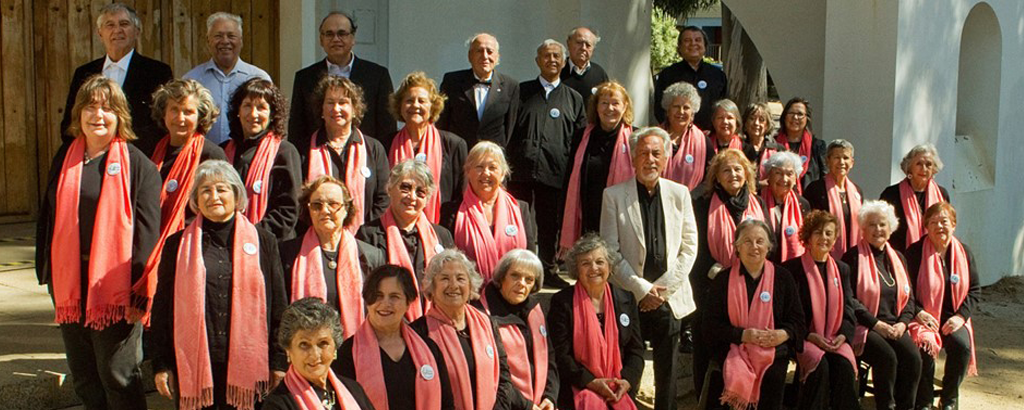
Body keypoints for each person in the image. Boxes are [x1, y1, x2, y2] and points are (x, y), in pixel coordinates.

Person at [36, 75, 161, 410]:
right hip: (69, 285)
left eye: (107, 108)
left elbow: (148, 236)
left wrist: (137, 290)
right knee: (84, 375)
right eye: (90, 107)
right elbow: (47, 218)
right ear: (79, 114)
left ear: (120, 115)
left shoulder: (139, 166)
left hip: (115, 289)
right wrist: (47, 271)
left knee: (117, 375)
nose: (98, 115)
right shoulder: (66, 157)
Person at [150, 160, 288, 410]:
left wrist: (279, 362)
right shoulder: (177, 245)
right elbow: (162, 309)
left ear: (236, 195)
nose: (214, 196)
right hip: (195, 365)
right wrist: (161, 364)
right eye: (205, 190)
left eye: (222, 189)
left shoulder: (264, 241)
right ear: (196, 199)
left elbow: (278, 305)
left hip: (250, 366)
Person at [600, 127, 697, 410]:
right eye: (643, 153)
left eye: (656, 153)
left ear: (666, 158)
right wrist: (643, 290)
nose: (650, 159)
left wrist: (660, 292)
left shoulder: (680, 194)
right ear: (632, 158)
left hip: (670, 297)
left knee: (667, 372)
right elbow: (610, 251)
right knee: (629, 365)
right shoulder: (613, 196)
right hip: (629, 298)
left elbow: (689, 248)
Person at [409, 250, 533, 410]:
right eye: (445, 278)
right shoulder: (418, 333)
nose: (453, 285)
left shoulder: (487, 323)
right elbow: (421, 392)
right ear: (432, 288)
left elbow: (503, 378)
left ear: (470, 286)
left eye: (460, 278)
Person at [690, 149, 770, 397]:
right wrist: (721, 274)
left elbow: (770, 244)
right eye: (726, 170)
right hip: (711, 285)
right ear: (716, 176)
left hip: (753, 286)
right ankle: (706, 395)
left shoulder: (760, 204)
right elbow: (696, 248)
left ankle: (747, 393)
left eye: (738, 169)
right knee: (708, 342)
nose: (733, 174)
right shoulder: (702, 205)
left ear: (747, 173)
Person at [507, 40, 586, 287]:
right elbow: (508, 130)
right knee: (519, 223)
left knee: (549, 225)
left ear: (564, 63)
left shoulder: (574, 99)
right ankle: (516, 268)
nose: (551, 60)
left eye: (556, 57)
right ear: (537, 61)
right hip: (520, 173)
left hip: (555, 174)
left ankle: (548, 271)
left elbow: (579, 141)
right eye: (546, 56)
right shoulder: (521, 92)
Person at [142, 79, 228, 303]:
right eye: (174, 110)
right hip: (149, 248)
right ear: (164, 113)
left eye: (188, 112)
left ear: (200, 117)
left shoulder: (212, 155)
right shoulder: (150, 150)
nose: (180, 118)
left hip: (194, 253)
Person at [704, 220, 805, 410]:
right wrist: (743, 335)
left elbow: (798, 321)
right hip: (733, 347)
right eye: (747, 241)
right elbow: (710, 325)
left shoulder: (783, 278)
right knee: (731, 372)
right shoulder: (722, 280)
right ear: (737, 247)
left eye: (760, 241)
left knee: (773, 375)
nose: (754, 246)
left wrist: (783, 334)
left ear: (769, 246)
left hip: (773, 352)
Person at [279, 176, 385, 340]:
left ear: (346, 209)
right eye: (317, 205)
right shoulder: (287, 253)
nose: (325, 210)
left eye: (333, 204)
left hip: (357, 353)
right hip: (306, 354)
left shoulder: (372, 256)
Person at [337, 265, 455, 410]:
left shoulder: (430, 349)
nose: (385, 303)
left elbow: (447, 405)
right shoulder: (347, 354)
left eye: (394, 297)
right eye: (378, 296)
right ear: (368, 301)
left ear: (408, 302)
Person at [61, 3, 173, 155]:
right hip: (91, 159)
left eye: (124, 24)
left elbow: (161, 125)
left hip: (138, 158)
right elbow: (70, 122)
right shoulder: (84, 73)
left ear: (137, 31)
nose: (117, 30)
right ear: (100, 33)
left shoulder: (157, 72)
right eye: (110, 25)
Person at [548, 234, 645, 410]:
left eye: (600, 262)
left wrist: (627, 381)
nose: (594, 268)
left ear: (609, 266)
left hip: (618, 384)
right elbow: (560, 355)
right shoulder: (562, 302)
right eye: (585, 263)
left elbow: (636, 349)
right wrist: (591, 382)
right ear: (576, 270)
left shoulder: (626, 299)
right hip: (578, 384)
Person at [841, 200, 920, 410]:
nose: (878, 230)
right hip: (865, 326)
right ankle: (886, 406)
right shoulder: (852, 257)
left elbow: (909, 297)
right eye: (872, 225)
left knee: (913, 358)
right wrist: (876, 324)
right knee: (888, 358)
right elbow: (850, 300)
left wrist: (903, 324)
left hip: (895, 324)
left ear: (891, 227)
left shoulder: (899, 258)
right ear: (863, 228)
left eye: (882, 224)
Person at [781, 211, 859, 410]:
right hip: (803, 337)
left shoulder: (842, 269)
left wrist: (844, 335)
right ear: (807, 237)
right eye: (818, 232)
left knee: (844, 366)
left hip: (835, 337)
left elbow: (849, 309)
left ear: (834, 239)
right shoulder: (791, 269)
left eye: (829, 233)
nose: (824, 237)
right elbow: (786, 313)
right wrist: (810, 336)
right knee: (820, 367)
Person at [358, 160, 455, 320]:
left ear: (427, 199)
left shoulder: (442, 235)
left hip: (435, 326)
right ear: (390, 188)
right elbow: (365, 290)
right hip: (387, 325)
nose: (412, 197)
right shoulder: (368, 235)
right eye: (405, 188)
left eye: (420, 192)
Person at [906, 203, 979, 410]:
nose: (940, 226)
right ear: (926, 226)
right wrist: (919, 312)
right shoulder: (915, 252)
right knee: (925, 347)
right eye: (934, 222)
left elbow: (975, 290)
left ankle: (949, 398)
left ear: (953, 225)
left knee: (962, 347)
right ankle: (924, 400)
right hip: (923, 318)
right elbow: (906, 291)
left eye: (944, 221)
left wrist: (960, 317)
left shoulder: (964, 252)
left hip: (953, 318)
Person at [289, 12, 396, 150]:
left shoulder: (377, 75)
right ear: (321, 40)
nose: (336, 39)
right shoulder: (304, 78)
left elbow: (387, 127)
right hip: (317, 158)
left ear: (353, 38)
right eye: (329, 34)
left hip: (365, 159)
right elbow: (297, 128)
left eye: (342, 33)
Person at [303, 75, 391, 230]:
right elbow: (300, 199)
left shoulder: (374, 148)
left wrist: (365, 233)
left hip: (365, 242)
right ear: (321, 110)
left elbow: (384, 198)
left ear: (355, 109)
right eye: (330, 102)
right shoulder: (305, 150)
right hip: (316, 239)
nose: (336, 109)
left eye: (343, 102)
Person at [440, 141, 536, 283]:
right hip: (470, 296)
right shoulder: (451, 211)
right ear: (468, 171)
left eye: (492, 167)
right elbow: (446, 262)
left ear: (503, 174)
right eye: (479, 167)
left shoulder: (521, 208)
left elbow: (530, 258)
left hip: (512, 295)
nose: (486, 173)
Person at [559, 81, 636, 254]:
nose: (610, 108)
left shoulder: (634, 137)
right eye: (604, 103)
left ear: (625, 107)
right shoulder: (582, 136)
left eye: (615, 103)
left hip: (620, 212)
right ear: (596, 107)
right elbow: (570, 174)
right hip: (588, 210)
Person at [223, 78, 302, 240]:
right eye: (247, 106)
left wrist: (248, 235)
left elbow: (289, 210)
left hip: (271, 246)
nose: (253, 114)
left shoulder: (285, 152)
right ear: (237, 111)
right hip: (227, 245)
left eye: (261, 108)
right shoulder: (223, 151)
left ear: (272, 114)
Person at [263, 297, 375, 410]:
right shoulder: (277, 405)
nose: (315, 355)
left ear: (335, 347)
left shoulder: (354, 390)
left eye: (323, 343)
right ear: (289, 350)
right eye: (304, 344)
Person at [480, 250, 559, 409]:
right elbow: (492, 374)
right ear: (502, 277)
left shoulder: (535, 310)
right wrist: (527, 406)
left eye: (529, 279)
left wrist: (550, 397)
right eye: (515, 276)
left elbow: (549, 357)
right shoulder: (482, 314)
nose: (522, 283)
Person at [387, 72, 467, 222]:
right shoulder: (385, 144)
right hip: (394, 227)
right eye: (409, 100)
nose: (415, 105)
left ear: (433, 106)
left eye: (422, 101)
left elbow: (461, 195)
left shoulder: (454, 145)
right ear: (400, 105)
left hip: (441, 229)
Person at [184, 12, 272, 145]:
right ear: (208, 41)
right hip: (202, 158)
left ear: (241, 41)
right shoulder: (192, 80)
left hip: (247, 158)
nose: (225, 41)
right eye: (218, 36)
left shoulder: (258, 78)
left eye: (231, 36)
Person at [438, 33, 520, 148]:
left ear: (497, 57)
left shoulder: (510, 86)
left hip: (492, 157)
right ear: (470, 56)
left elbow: (510, 129)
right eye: (479, 51)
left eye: (490, 52)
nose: (485, 56)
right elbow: (442, 122)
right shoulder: (452, 82)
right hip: (459, 154)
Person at [879, 143, 951, 253]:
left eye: (928, 165)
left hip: (933, 256)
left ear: (934, 169)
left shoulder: (942, 194)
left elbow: (948, 227)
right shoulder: (891, 194)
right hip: (900, 257)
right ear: (909, 168)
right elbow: (881, 228)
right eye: (919, 164)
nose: (924, 169)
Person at [653, 26, 727, 131]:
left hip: (710, 137)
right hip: (676, 136)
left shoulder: (718, 75)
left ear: (705, 46)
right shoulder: (668, 74)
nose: (693, 44)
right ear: (680, 47)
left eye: (698, 40)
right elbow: (659, 108)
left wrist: (713, 131)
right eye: (687, 40)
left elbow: (723, 107)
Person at [804, 139, 864, 259]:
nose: (841, 162)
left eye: (845, 158)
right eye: (836, 157)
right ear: (828, 161)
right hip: (823, 254)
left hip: (853, 256)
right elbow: (808, 225)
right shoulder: (815, 189)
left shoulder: (857, 191)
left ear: (852, 162)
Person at [659, 81, 714, 190]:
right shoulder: (653, 137)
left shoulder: (703, 141)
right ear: (668, 111)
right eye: (676, 106)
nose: (681, 111)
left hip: (691, 202)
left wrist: (691, 198)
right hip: (656, 202)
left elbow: (711, 176)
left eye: (686, 108)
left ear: (692, 114)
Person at [761, 151, 810, 263]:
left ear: (795, 178)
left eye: (789, 174)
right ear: (769, 175)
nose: (784, 179)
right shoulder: (758, 201)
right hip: (763, 265)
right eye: (778, 173)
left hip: (793, 268)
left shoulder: (802, 204)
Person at [774, 98, 826, 194]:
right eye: (791, 113)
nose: (795, 117)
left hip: (810, 202)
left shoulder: (817, 146)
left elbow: (825, 177)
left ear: (807, 119)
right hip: (778, 200)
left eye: (800, 114)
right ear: (784, 116)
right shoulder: (773, 144)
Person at [560, 26, 610, 102]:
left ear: (593, 49)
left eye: (588, 45)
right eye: (579, 43)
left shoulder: (599, 74)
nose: (583, 48)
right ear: (568, 44)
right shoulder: (557, 71)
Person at [740, 102, 782, 183]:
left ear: (767, 125)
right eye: (752, 118)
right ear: (745, 123)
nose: (756, 123)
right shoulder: (738, 147)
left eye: (761, 120)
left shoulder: (777, 150)